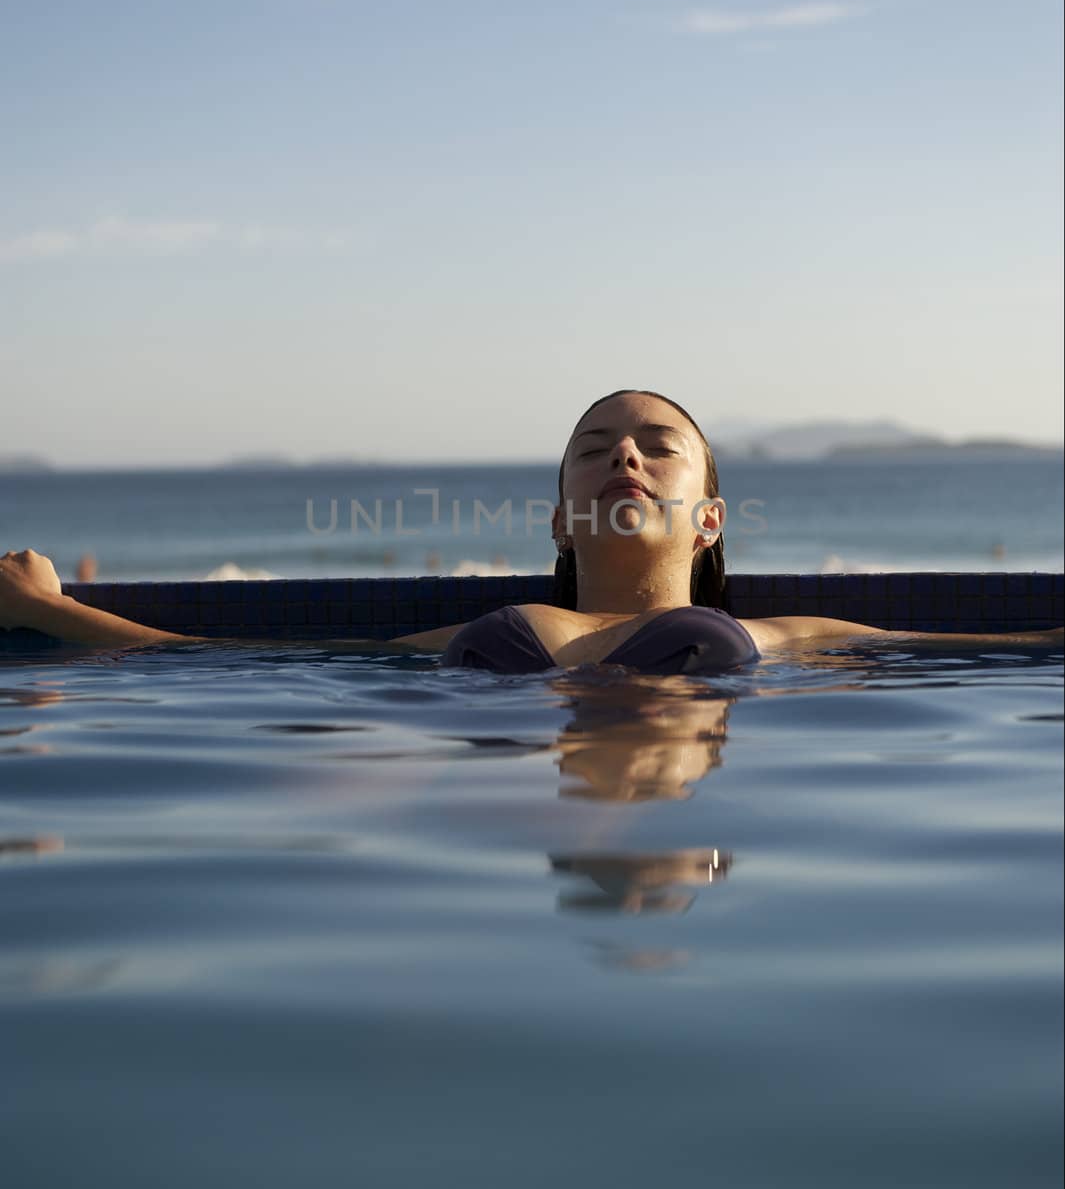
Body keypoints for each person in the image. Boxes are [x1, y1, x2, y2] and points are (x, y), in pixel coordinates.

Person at [1, 389, 1062, 667]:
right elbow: (223, 658)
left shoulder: (796, 636)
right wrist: (47, 611)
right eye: (598, 447)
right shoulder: (483, 628)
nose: (627, 457)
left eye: (656, 444)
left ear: (709, 520)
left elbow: (1018, 651)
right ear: (561, 512)